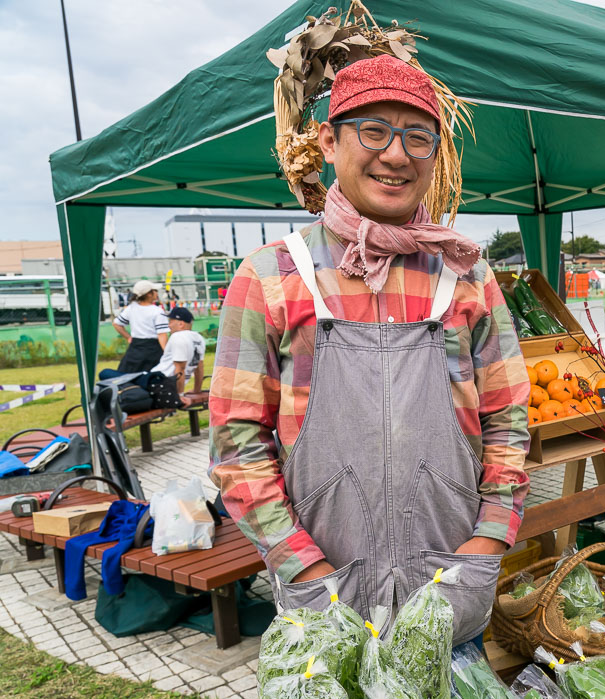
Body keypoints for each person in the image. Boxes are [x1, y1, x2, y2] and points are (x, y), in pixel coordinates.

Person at [208, 55, 530, 644]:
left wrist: (489, 538)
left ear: (436, 155)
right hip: (323, 591)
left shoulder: (467, 277)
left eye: (418, 138)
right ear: (329, 141)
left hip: (449, 582)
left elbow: (508, 420)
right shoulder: (272, 276)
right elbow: (236, 446)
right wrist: (303, 566)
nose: (397, 155)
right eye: (374, 131)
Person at [112, 280, 169, 372]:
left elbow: (116, 324)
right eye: (155, 290)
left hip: (135, 348)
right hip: (153, 349)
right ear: (149, 294)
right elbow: (161, 335)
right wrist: (167, 354)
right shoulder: (157, 311)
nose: (157, 293)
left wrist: (128, 338)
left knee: (129, 377)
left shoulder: (131, 308)